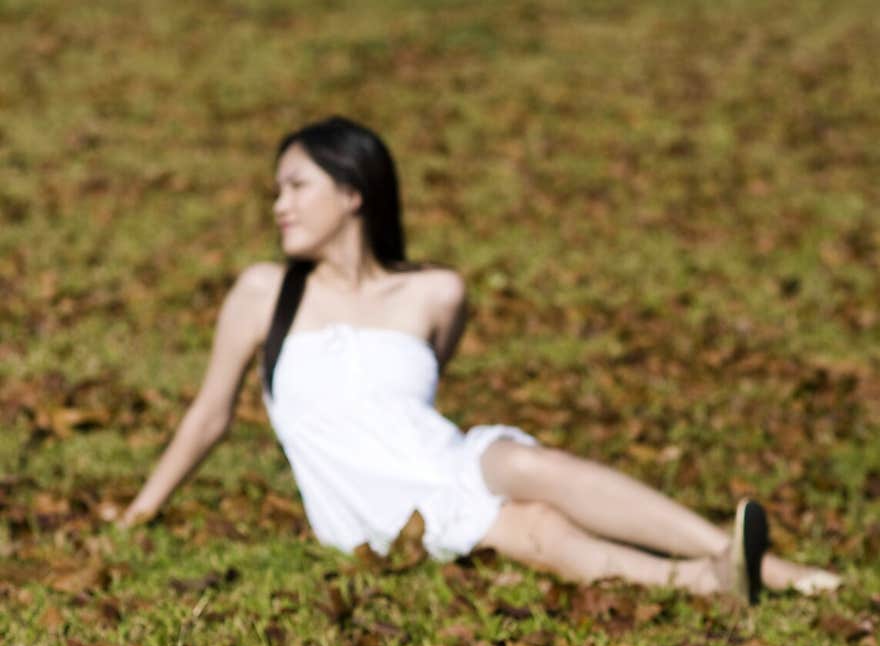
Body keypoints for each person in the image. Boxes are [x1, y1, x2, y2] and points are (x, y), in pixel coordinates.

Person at [121, 115, 841, 605]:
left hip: (442, 454)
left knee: (539, 469)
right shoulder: (262, 292)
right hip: (370, 502)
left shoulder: (435, 291)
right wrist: (141, 512)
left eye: (295, 186)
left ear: (352, 192)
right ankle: (706, 580)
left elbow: (418, 402)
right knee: (535, 529)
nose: (279, 204)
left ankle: (756, 563)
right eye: (277, 189)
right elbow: (210, 415)